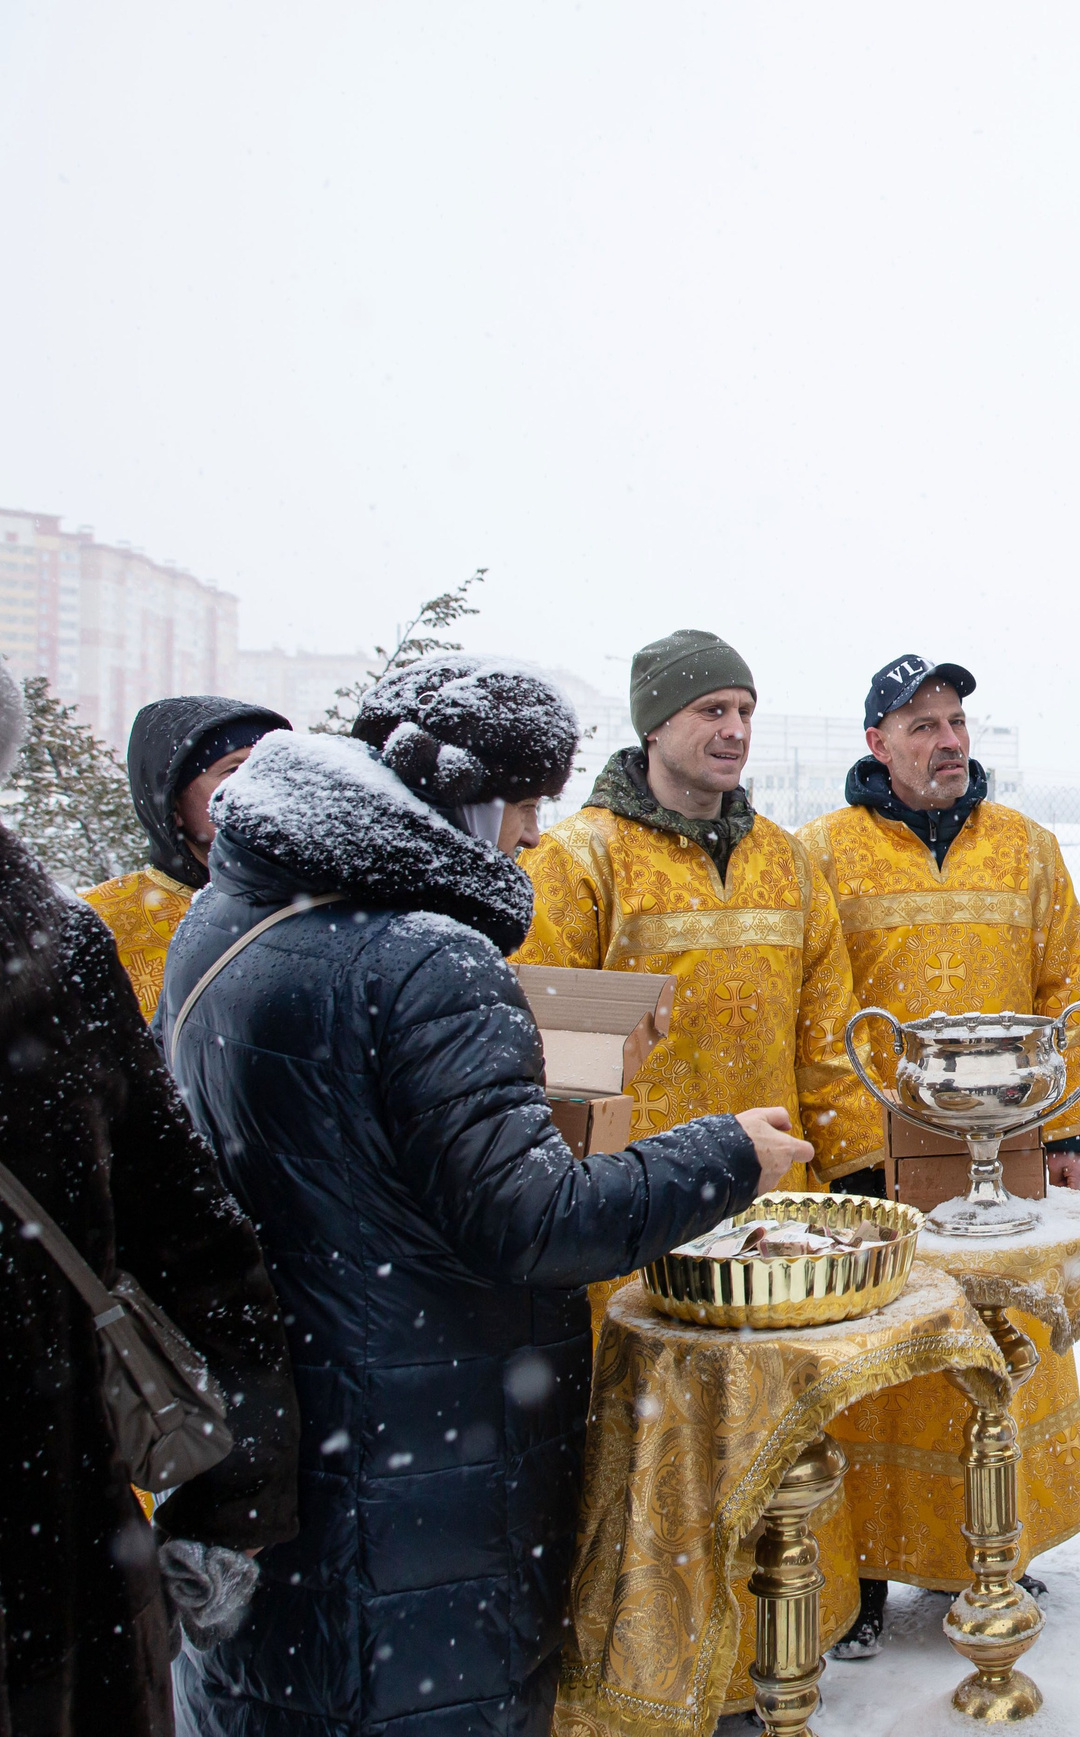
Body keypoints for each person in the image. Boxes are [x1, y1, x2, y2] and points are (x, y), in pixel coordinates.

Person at [160, 658, 805, 1736]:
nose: (533, 837)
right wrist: (724, 1156)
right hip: (423, 1463)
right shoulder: (429, 958)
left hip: (293, 1439)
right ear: (465, 798)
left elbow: (346, 1131)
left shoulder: (235, 917)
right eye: (523, 804)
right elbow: (530, 1220)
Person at [798, 655, 1080, 1659]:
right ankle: (860, 1565)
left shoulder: (1025, 848)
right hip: (880, 1156)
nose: (947, 741)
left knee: (998, 1340)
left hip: (1011, 1145)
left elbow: (1065, 979)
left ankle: (990, 1539)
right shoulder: (822, 852)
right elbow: (820, 1014)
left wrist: (1074, 1131)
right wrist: (853, 1151)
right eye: (920, 725)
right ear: (876, 743)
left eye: (955, 721)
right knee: (883, 1356)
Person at [0, 663, 298, 1737]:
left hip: (52, 1511)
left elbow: (189, 1230)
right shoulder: (99, 925)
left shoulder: (54, 949)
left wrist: (236, 1492)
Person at [514, 629, 870, 1191]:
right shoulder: (577, 860)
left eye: (746, 711)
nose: (736, 729)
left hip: (778, 1204)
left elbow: (825, 1036)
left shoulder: (787, 861)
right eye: (713, 710)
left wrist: (857, 1162)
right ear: (655, 725)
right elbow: (546, 1056)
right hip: (641, 1205)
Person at [80, 695, 290, 1020]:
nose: (259, 785)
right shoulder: (102, 923)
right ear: (172, 806)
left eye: (268, 765)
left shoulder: (323, 905)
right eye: (232, 770)